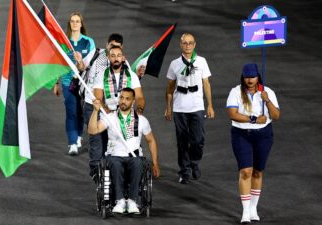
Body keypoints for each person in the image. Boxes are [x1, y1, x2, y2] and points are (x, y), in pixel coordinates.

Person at [88, 88, 160, 214]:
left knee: (138, 163)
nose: (123, 101)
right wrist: (95, 111)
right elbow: (93, 130)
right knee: (115, 164)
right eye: (121, 98)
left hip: (134, 156)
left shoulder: (142, 120)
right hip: (114, 156)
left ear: (133, 102)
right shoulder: (110, 117)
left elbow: (151, 141)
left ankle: (132, 201)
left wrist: (155, 163)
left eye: (127, 99)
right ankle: (120, 201)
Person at [226, 63, 280, 224]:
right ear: (243, 77)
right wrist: (254, 119)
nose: (250, 80)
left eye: (253, 77)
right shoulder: (235, 92)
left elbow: (276, 116)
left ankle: (253, 209)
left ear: (258, 77)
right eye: (247, 77)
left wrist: (267, 100)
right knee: (246, 171)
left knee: (257, 171)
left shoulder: (267, 92)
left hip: (264, 136)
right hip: (241, 135)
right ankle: (245, 212)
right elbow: (232, 114)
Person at [86, 43, 145, 178]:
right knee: (107, 147)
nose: (116, 58)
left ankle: (132, 173)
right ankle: (106, 173)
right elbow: (98, 97)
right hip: (110, 115)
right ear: (108, 57)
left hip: (128, 115)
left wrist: (140, 110)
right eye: (113, 56)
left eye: (118, 56)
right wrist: (108, 112)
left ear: (123, 58)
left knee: (132, 147)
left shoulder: (131, 75)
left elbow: (140, 97)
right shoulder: (101, 75)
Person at [165, 33, 214, 184]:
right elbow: (169, 87)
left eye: (190, 43)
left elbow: (206, 84)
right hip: (180, 108)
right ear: (180, 45)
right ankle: (184, 170)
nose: (187, 46)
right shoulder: (174, 64)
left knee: (198, 139)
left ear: (195, 45)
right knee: (182, 141)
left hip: (197, 107)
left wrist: (210, 105)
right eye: (185, 43)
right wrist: (168, 107)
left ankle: (195, 162)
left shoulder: (201, 61)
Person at [53, 12, 95, 155]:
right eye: (72, 21)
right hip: (67, 82)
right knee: (71, 112)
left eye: (77, 21)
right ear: (69, 24)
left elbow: (92, 62)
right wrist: (56, 83)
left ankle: (78, 135)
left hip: (85, 83)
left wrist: (80, 62)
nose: (75, 23)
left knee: (81, 111)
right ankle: (72, 143)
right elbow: (57, 64)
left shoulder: (89, 42)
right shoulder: (64, 43)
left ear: (81, 24)